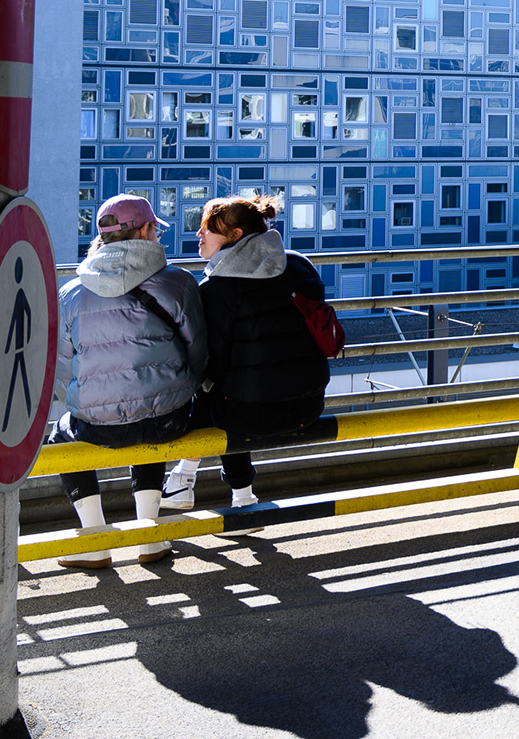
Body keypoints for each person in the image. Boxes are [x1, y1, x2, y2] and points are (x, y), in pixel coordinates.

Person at [51, 195, 206, 568]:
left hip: (97, 427)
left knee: (60, 436)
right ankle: (149, 537)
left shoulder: (71, 292)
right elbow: (199, 352)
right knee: (152, 406)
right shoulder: (177, 282)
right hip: (168, 420)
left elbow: (62, 369)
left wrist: (85, 403)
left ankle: (95, 541)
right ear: (148, 230)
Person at [162, 195, 330, 518]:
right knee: (231, 388)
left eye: (208, 228)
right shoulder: (299, 267)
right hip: (308, 405)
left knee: (212, 390)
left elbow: (212, 367)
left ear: (236, 236)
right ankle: (195, 483)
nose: (199, 235)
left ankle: (215, 488)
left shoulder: (216, 288)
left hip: (252, 416)